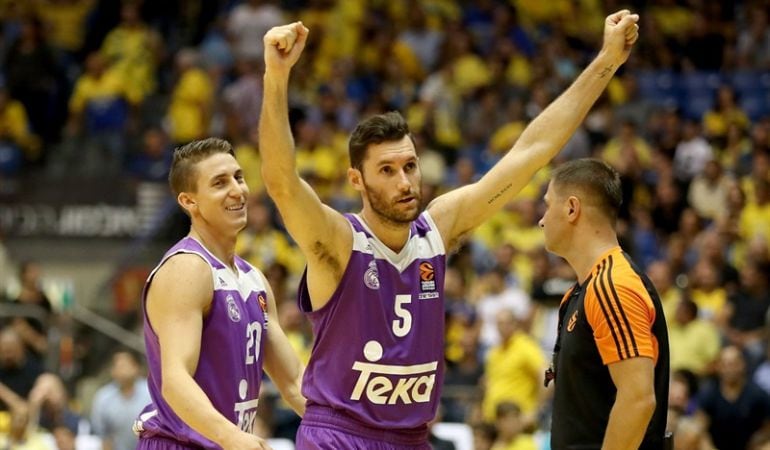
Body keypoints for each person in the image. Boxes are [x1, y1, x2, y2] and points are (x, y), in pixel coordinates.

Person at [259, 10, 640, 449]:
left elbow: (531, 151)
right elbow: (281, 182)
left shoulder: (437, 228)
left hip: (413, 437)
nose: (404, 182)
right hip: (341, 436)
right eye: (386, 170)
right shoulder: (338, 241)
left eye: (410, 166)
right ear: (356, 180)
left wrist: (607, 60)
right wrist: (276, 75)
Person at [133, 137, 305, 449]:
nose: (237, 190)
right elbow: (175, 380)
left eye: (238, 177)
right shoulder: (187, 269)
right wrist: (233, 438)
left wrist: (351, 428)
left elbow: (294, 384)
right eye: (219, 183)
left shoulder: (254, 279)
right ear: (189, 201)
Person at [538, 159, 671, 449]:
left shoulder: (612, 285)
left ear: (572, 208)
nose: (542, 219)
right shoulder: (580, 291)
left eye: (548, 206)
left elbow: (638, 400)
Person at [90, 349, 152, 450]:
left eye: (125, 365)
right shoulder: (103, 397)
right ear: (112, 371)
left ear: (136, 367)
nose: (122, 369)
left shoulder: (150, 392)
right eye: (118, 366)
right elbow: (101, 434)